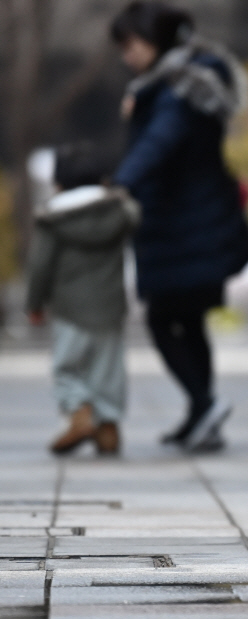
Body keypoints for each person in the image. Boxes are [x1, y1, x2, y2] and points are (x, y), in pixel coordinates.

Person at [110, 0, 248, 451]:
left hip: (185, 223)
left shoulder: (177, 89)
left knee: (162, 318)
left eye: (130, 45)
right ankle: (200, 413)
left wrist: (121, 182)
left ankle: (203, 403)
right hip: (195, 220)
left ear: (154, 41)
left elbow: (160, 142)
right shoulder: (180, 81)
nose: (126, 56)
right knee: (187, 319)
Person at [26, 142, 140, 455]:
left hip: (68, 306)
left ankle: (80, 414)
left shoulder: (52, 219)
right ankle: (108, 430)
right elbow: (136, 217)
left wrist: (34, 303)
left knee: (67, 366)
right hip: (110, 304)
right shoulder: (120, 211)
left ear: (58, 182)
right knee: (108, 368)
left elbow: (40, 265)